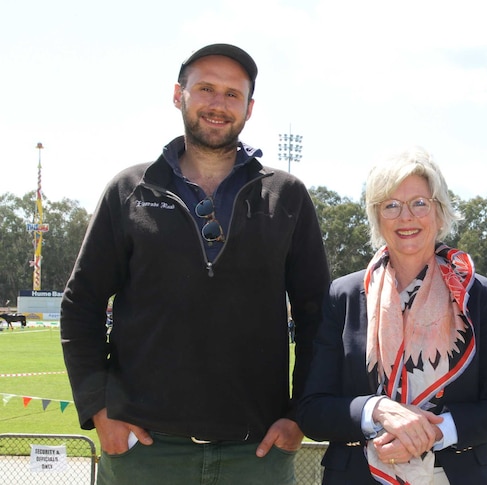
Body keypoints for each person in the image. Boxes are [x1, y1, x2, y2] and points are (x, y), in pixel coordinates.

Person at [60, 43, 329, 484]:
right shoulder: (130, 190)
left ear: (249, 107)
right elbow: (80, 304)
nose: (217, 104)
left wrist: (301, 415)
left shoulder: (287, 197)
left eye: (231, 94)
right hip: (144, 454)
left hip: (256, 455)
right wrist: (98, 408)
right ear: (178, 94)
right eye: (205, 88)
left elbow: (318, 316)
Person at [297, 147, 487, 484]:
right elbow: (312, 411)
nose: (406, 217)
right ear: (377, 216)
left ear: (440, 212)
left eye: (419, 203)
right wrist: (376, 411)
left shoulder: (477, 293)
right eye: (391, 205)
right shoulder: (343, 296)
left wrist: (433, 432)